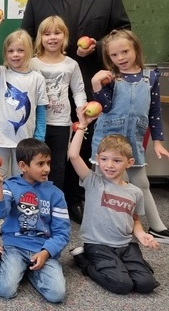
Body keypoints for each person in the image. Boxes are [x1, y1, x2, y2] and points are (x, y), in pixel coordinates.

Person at [21, 0, 131, 224]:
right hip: (45, 88)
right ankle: (44, 197)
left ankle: (77, 199)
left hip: (90, 86)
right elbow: (26, 41)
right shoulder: (37, 1)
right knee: (48, 147)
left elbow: (123, 35)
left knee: (84, 145)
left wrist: (98, 44)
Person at [0, 138, 70, 303]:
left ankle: (27, 269)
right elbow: (0, 214)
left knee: (57, 294)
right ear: (23, 166)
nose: (47, 169)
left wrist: (45, 253)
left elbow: (62, 233)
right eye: (40, 164)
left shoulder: (56, 194)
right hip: (15, 245)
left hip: (42, 249)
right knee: (6, 289)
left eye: (48, 163)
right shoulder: (10, 186)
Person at [67, 108, 160, 294]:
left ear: (129, 162)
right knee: (122, 285)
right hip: (97, 245)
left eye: (117, 161)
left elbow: (134, 220)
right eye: (104, 159)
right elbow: (73, 156)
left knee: (146, 284)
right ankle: (84, 261)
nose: (109, 165)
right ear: (97, 160)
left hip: (125, 246)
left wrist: (141, 234)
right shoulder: (93, 181)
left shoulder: (135, 192)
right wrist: (82, 126)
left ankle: (123, 264)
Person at [89, 29, 169, 242]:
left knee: (142, 184)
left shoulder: (150, 77)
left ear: (136, 49)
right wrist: (96, 85)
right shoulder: (110, 77)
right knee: (103, 185)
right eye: (114, 55)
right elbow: (104, 108)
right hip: (106, 140)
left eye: (124, 52)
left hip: (133, 140)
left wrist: (158, 142)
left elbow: (154, 112)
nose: (120, 58)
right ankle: (102, 226)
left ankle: (156, 227)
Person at [0, 17, 48, 234]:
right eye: (11, 51)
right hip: (0, 135)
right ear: (5, 53)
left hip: (24, 140)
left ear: (28, 52)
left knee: (20, 178)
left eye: (20, 50)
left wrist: (39, 138)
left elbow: (41, 110)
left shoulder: (37, 78)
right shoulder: (0, 73)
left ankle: (18, 211)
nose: (16, 55)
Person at [29, 16, 86, 192]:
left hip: (61, 123)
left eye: (57, 33)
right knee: (34, 163)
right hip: (37, 122)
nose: (52, 37)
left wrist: (81, 110)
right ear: (40, 38)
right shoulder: (32, 62)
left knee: (58, 166)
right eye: (47, 34)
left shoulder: (71, 64)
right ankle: (34, 201)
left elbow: (78, 90)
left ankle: (54, 203)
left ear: (65, 36)